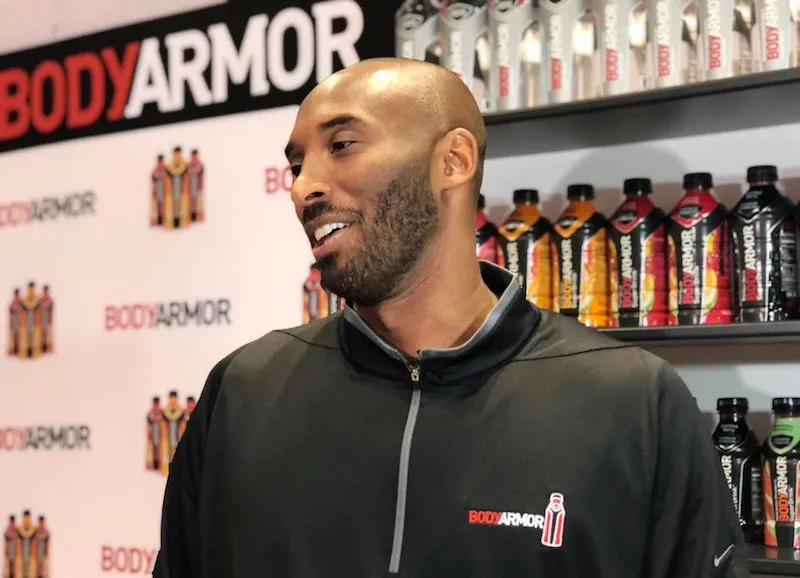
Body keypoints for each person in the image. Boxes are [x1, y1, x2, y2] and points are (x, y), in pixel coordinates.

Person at [153, 58, 747, 577]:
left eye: (342, 145)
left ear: (454, 161)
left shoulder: (635, 403)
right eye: (296, 164)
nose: (303, 187)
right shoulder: (243, 390)